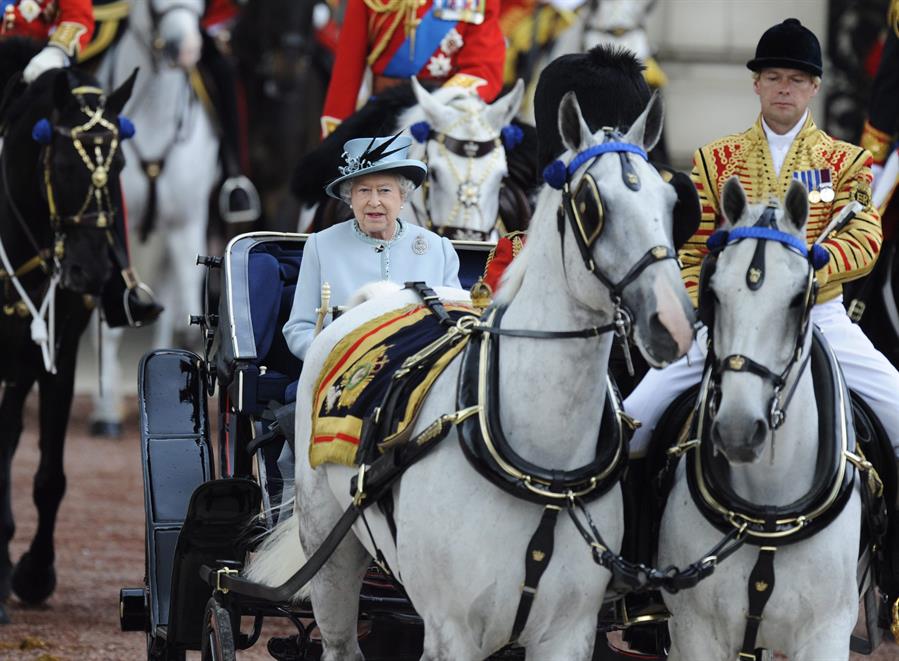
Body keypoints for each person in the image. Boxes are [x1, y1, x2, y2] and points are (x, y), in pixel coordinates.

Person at [624, 18, 899, 464]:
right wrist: (707, 308)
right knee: (632, 423)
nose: (784, 88)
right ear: (756, 83)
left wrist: (803, 274)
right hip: (729, 319)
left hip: (819, 315)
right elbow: (692, 250)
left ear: (814, 87)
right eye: (773, 78)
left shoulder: (847, 161)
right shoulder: (714, 159)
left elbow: (866, 239)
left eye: (796, 79)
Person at [1, 0, 162, 325]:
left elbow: (77, 11)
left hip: (46, 72)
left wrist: (57, 49)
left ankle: (121, 282)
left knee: (95, 148)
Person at [283, 134, 462, 361]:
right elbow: (299, 328)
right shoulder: (321, 245)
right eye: (364, 191)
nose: (374, 201)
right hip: (342, 375)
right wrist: (330, 359)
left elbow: (454, 321)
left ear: (402, 196)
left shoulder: (439, 249)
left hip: (419, 371)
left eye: (385, 190)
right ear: (350, 197)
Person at [319, 0, 506, 138]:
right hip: (384, 115)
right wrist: (336, 131)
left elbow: (483, 68)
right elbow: (347, 68)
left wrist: (439, 106)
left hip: (447, 115)